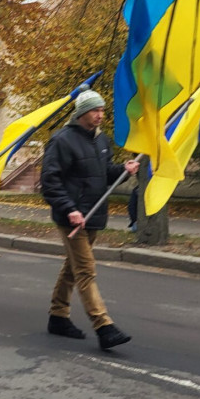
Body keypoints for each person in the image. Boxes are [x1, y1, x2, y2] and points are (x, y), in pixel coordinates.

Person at [40, 85, 139, 351]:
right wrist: (69, 209)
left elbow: (104, 172)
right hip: (72, 217)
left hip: (94, 214)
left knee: (72, 268)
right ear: (82, 112)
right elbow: (49, 181)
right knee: (85, 270)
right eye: (95, 110)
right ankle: (103, 326)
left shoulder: (101, 140)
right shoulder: (61, 140)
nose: (100, 115)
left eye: (102, 110)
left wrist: (124, 170)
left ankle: (58, 316)